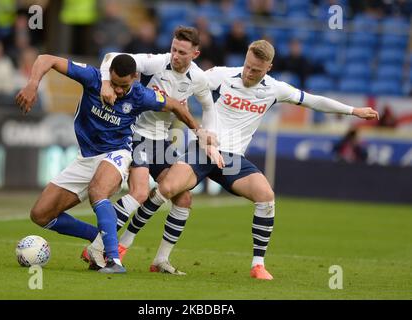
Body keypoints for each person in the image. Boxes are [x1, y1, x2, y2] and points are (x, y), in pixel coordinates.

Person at [116, 40, 379, 279]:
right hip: (204, 149)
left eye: (256, 70)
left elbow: (313, 101)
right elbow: (189, 83)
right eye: (248, 66)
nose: (249, 72)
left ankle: (257, 265)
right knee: (168, 189)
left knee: (266, 195)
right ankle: (123, 244)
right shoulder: (221, 75)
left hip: (232, 159)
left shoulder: (275, 89)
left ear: (269, 68)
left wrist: (353, 111)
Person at [16, 53, 214, 274]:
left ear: (135, 77)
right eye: (116, 84)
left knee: (98, 192)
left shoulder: (141, 95)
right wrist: (32, 85)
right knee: (41, 214)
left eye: (124, 85)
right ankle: (99, 236)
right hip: (86, 157)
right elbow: (46, 59)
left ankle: (113, 260)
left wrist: (200, 132)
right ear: (109, 74)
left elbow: (176, 105)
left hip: (117, 152)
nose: (119, 91)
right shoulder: (92, 78)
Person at [81, 26, 222, 272]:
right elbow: (111, 58)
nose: (176, 55)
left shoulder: (199, 79)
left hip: (162, 141)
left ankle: (160, 260)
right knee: (140, 192)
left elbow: (209, 108)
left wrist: (207, 136)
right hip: (135, 134)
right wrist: (105, 82)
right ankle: (98, 245)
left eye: (182, 52)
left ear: (195, 55)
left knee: (184, 197)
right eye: (174, 49)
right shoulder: (156, 63)